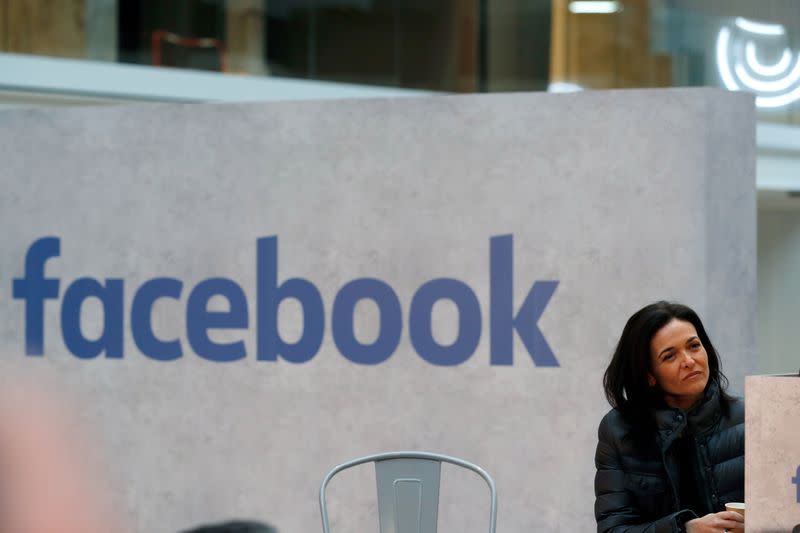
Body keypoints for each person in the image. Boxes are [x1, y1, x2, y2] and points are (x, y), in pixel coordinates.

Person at [594, 301, 745, 533]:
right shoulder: (618, 430)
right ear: (649, 375)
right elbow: (613, 530)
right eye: (669, 356)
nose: (689, 361)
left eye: (694, 346)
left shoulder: (748, 418)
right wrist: (684, 530)